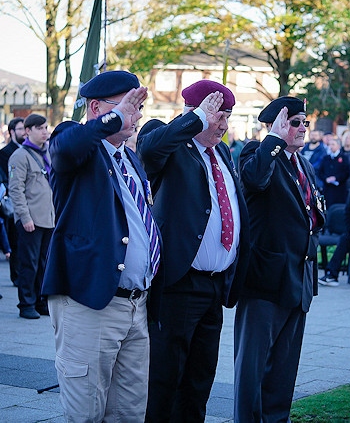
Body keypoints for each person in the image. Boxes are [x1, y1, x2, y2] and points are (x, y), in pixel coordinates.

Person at [41, 70, 151, 422]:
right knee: (87, 410)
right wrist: (113, 119)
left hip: (135, 304)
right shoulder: (74, 140)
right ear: (95, 107)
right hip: (90, 300)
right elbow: (65, 150)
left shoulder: (129, 158)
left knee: (129, 411)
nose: (135, 115)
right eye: (128, 106)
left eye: (138, 107)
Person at [138, 80, 250, 422]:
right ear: (197, 113)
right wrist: (196, 118)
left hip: (215, 285)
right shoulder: (170, 141)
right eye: (220, 116)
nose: (225, 125)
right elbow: (149, 151)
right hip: (180, 282)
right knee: (166, 378)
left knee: (200, 379)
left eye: (228, 117)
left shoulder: (223, 152)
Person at [234, 96, 324, 422]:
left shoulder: (305, 164)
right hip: (265, 278)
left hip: (299, 278)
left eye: (304, 122)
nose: (301, 128)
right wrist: (272, 140)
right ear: (275, 126)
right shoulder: (256, 153)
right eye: (293, 122)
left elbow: (311, 213)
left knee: (284, 368)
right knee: (253, 367)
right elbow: (255, 179)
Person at [8, 113, 54, 319]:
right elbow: (16, 190)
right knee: (29, 263)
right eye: (40, 128)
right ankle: (26, 303)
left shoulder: (49, 153)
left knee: (44, 262)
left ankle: (40, 300)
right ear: (28, 131)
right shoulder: (20, 156)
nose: (45, 131)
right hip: (31, 219)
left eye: (46, 127)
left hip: (48, 217)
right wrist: (24, 217)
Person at [0, 117, 25, 287]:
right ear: (12, 132)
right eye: (20, 129)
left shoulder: (31, 150)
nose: (24, 132)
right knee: (14, 239)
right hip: (13, 201)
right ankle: (16, 275)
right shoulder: (5, 152)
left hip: (30, 200)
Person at [317, 136, 349, 206]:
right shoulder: (325, 158)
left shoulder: (344, 158)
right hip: (328, 189)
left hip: (340, 190)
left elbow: (346, 172)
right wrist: (326, 179)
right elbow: (320, 172)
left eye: (333, 144)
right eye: (329, 145)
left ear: (338, 146)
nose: (331, 146)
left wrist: (336, 178)